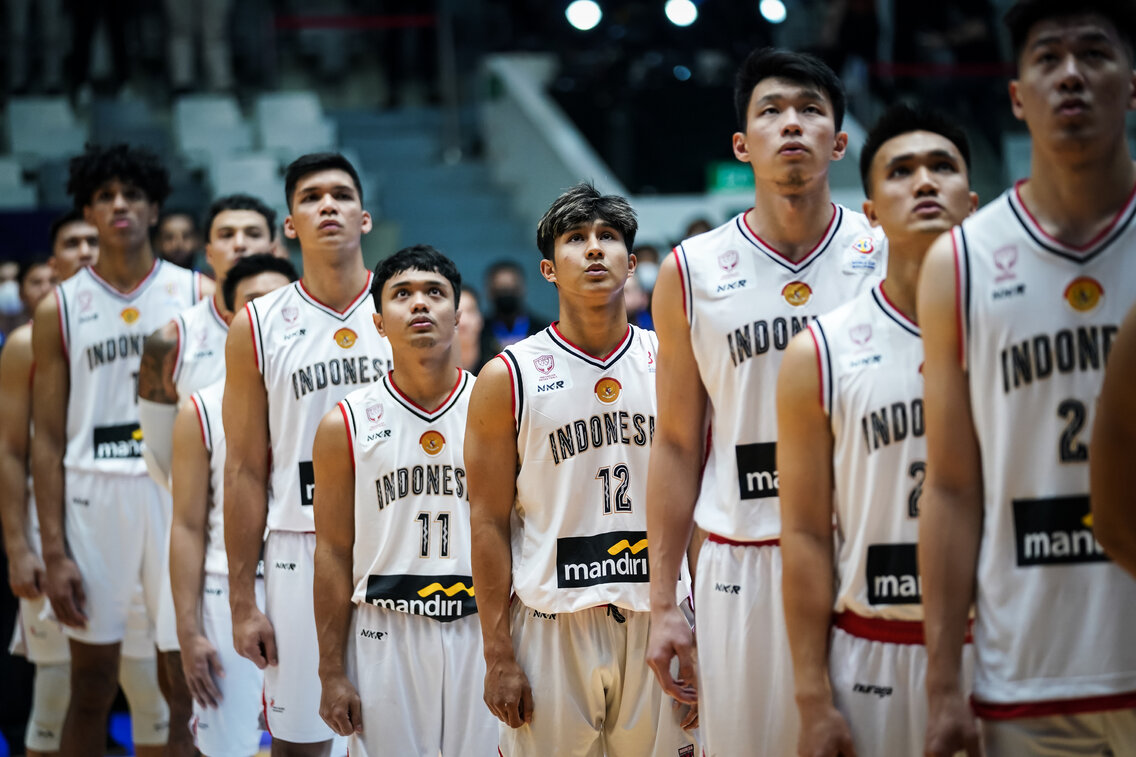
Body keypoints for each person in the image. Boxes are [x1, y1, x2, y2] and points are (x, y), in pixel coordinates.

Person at [643, 48, 886, 757]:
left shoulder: (887, 253)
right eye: (772, 111)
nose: (792, 125)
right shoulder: (688, 271)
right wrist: (663, 602)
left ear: (839, 143)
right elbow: (679, 442)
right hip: (742, 558)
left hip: (863, 548)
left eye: (811, 111)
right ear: (742, 145)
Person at [917, 2, 1136, 754]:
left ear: (1132, 85)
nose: (1070, 75)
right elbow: (948, 485)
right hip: (1026, 669)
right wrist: (943, 682)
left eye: (1094, 54)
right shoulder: (962, 262)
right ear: (1016, 94)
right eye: (1047, 58)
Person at [467, 183, 696, 756]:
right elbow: (488, 521)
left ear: (632, 262)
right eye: (576, 239)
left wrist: (704, 627)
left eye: (609, 237)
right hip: (550, 623)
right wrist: (498, 654)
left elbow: (699, 505)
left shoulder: (671, 363)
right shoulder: (508, 376)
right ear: (548, 268)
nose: (595, 249)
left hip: (658, 612)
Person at [777, 104, 978, 757]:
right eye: (901, 170)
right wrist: (812, 698)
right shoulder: (820, 351)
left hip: (1003, 642)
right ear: (868, 210)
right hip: (873, 645)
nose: (923, 182)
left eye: (941, 167)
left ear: (972, 201)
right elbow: (805, 532)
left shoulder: (1015, 329)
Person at [30, 143, 208, 756]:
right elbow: (47, 437)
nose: (119, 205)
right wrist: (51, 550)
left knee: (185, 676)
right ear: (87, 209)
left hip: (173, 493)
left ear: (155, 206)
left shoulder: (195, 294)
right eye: (105, 196)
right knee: (92, 681)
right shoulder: (60, 307)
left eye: (131, 194)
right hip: (91, 497)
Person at [224, 152, 393, 755]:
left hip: (396, 542)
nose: (328, 205)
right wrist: (243, 601)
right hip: (299, 544)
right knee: (301, 743)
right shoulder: (258, 324)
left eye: (342, 195)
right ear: (290, 224)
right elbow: (244, 468)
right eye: (312, 197)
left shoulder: (410, 305)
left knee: (402, 737)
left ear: (365, 217)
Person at [311, 245, 497, 756]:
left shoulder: (499, 411)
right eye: (402, 294)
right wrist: (330, 670)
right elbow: (330, 552)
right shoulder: (343, 425)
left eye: (434, 293)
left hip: (482, 629)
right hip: (383, 632)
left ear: (457, 315)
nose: (419, 305)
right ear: (378, 321)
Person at [0, 210, 168, 757]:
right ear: (55, 262)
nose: (87, 250)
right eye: (73, 243)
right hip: (55, 532)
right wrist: (21, 547)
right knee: (55, 689)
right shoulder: (27, 341)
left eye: (94, 241)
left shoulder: (149, 325)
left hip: (132, 521)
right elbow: (12, 451)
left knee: (151, 686)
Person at [169, 253, 298, 757]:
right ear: (230, 317)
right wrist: (189, 631)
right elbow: (185, 526)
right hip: (229, 593)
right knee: (228, 749)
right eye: (252, 303)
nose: (265, 313)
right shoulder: (200, 407)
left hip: (314, 584)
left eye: (278, 301)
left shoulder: (338, 400)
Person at [138, 194, 279, 490]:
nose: (240, 244)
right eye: (226, 235)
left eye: (253, 234)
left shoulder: (307, 322)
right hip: (213, 522)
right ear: (209, 253)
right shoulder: (171, 341)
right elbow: (162, 459)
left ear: (273, 248)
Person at [483, 259, 549, 347]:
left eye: (511, 289)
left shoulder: (543, 332)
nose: (506, 294)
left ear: (523, 289)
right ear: (489, 292)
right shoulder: (478, 332)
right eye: (500, 289)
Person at [456, 285, 499, 373]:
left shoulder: (499, 363)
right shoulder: (432, 366)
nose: (463, 322)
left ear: (480, 320)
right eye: (456, 313)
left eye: (470, 311)